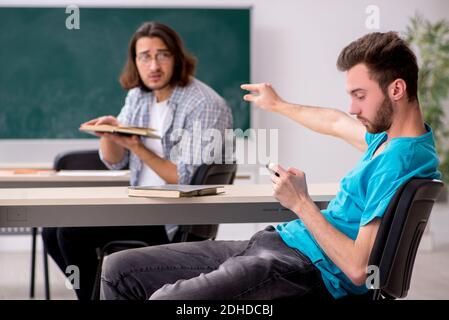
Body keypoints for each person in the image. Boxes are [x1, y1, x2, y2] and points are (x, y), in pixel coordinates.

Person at [100, 31, 441, 300]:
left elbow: (357, 268)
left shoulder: (399, 161)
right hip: (278, 244)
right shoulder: (392, 140)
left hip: (302, 269)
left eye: (360, 95)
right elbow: (335, 122)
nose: (352, 107)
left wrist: (300, 203)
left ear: (396, 89)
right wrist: (278, 105)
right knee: (118, 268)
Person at [42, 21, 233, 300]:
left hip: (175, 216)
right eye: (145, 56)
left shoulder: (204, 104)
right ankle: (97, 296)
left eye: (162, 55)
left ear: (177, 57)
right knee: (52, 230)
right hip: (140, 205)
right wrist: (108, 134)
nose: (153, 65)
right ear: (135, 61)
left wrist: (139, 148)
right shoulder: (139, 96)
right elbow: (116, 162)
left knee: (71, 232)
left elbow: (185, 179)